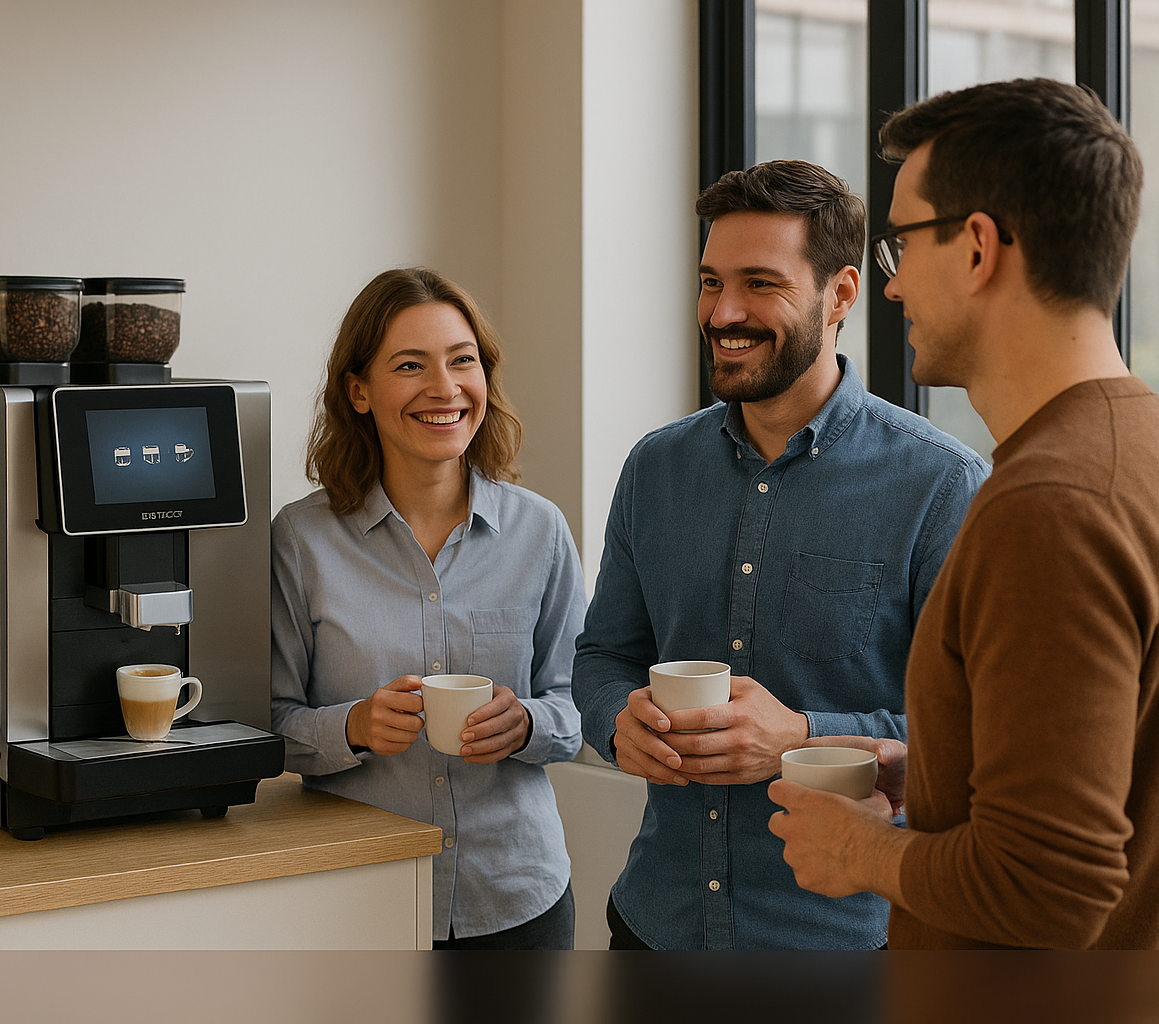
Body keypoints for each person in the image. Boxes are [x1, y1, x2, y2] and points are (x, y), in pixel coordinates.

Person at [768, 79, 1158, 950]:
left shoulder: (1049, 508)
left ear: (979, 248)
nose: (893, 287)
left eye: (903, 245)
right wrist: (944, 767)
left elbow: (1052, 888)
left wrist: (860, 851)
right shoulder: (1134, 446)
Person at [571, 160, 989, 949]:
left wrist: (800, 735)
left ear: (842, 294)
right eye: (710, 282)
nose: (723, 312)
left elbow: (976, 735)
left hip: (845, 950)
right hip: (655, 927)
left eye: (760, 284)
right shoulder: (654, 468)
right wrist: (617, 721)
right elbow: (603, 656)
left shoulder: (942, 486)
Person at [272, 267, 585, 949]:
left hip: (515, 900)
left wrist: (527, 723)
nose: (444, 389)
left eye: (462, 360)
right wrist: (353, 726)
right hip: (355, 906)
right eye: (410, 365)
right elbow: (265, 724)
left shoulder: (540, 531)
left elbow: (579, 704)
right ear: (358, 391)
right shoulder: (301, 539)